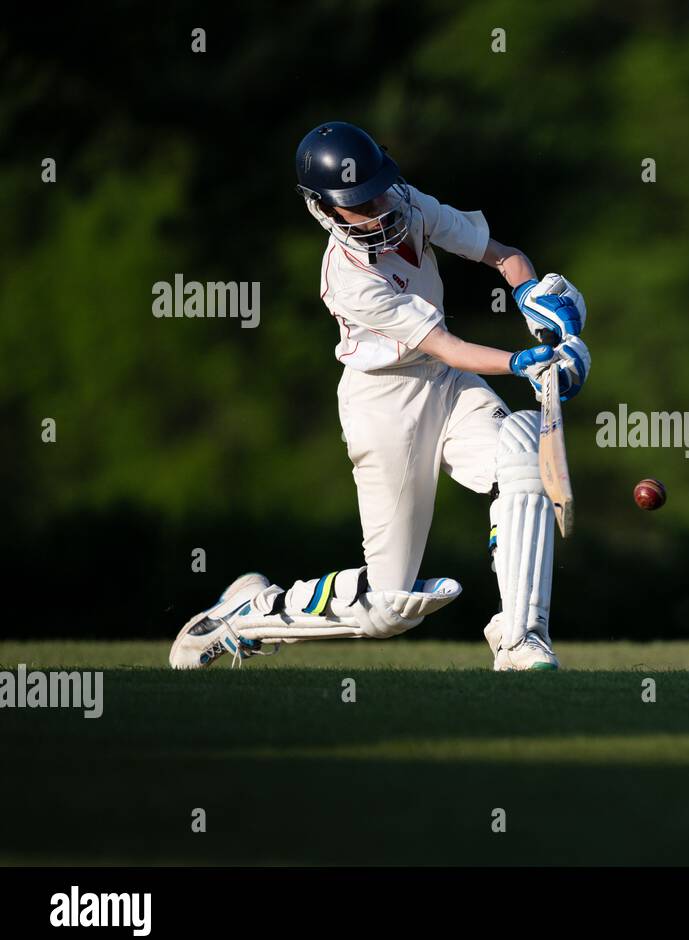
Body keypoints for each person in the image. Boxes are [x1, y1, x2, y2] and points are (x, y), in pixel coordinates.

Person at [169, 121, 589, 672]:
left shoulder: (409, 204)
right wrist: (519, 363)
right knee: (389, 609)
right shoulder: (347, 278)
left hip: (444, 384)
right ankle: (245, 614)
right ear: (323, 208)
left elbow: (501, 254)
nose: (376, 210)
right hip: (384, 406)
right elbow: (447, 344)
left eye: (377, 192)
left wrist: (531, 293)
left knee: (521, 449)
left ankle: (520, 639)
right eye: (357, 204)